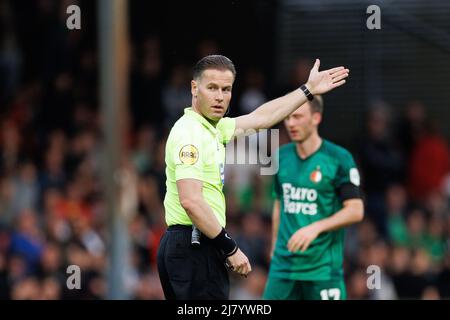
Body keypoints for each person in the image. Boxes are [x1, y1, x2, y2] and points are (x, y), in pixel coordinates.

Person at [157, 54, 349, 300]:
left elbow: (262, 118)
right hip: (193, 244)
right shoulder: (190, 133)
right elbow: (191, 201)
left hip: (192, 245)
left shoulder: (212, 128)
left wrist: (308, 89)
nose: (219, 97)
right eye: (212, 88)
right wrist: (231, 248)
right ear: (194, 88)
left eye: (226, 89)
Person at [263, 95, 364, 300]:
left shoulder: (339, 158)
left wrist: (315, 227)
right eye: (288, 117)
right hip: (284, 267)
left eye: (298, 117)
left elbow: (356, 210)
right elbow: (279, 201)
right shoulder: (280, 156)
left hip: (322, 269)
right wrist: (274, 243)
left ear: (316, 118)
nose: (291, 123)